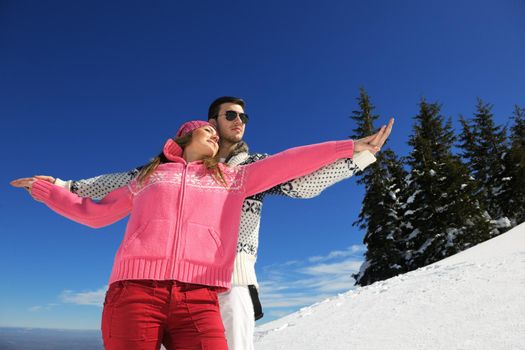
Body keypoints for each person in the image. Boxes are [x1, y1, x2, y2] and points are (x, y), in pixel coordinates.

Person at [12, 98, 394, 350]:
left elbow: (293, 167)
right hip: (136, 290)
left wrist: (351, 150)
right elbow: (98, 208)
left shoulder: (239, 176)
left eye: (243, 117)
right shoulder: (150, 175)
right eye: (219, 122)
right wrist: (54, 189)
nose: (232, 126)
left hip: (207, 291)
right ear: (190, 133)